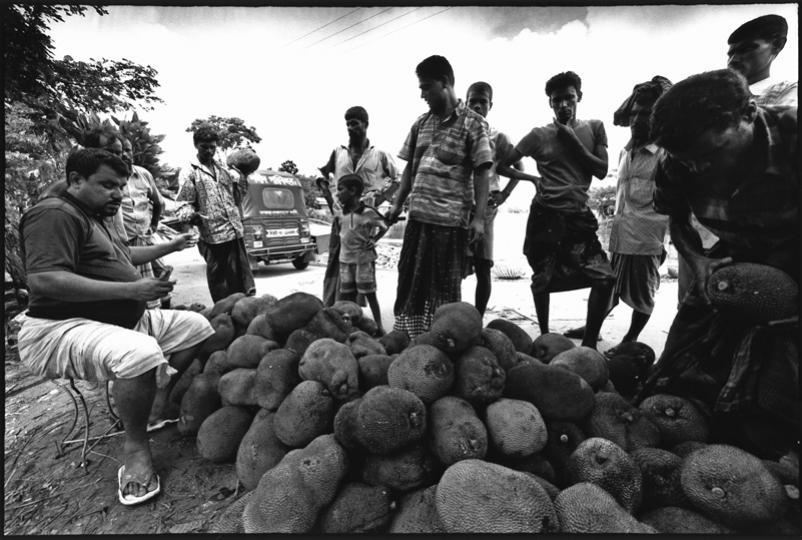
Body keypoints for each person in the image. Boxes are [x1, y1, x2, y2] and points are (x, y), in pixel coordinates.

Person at [17, 148, 215, 505]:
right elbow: (45, 279)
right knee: (140, 353)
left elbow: (125, 257)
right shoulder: (53, 214)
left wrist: (168, 248)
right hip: (59, 327)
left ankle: (155, 406)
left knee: (197, 326)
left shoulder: (94, 216)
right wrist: (131, 289)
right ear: (76, 181)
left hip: (119, 321)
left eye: (121, 186)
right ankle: (136, 447)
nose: (119, 194)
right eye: (107, 185)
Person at [642, 69, 798, 460]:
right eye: (688, 162)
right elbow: (675, 218)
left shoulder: (793, 137)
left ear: (748, 113)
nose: (699, 170)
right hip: (733, 258)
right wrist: (696, 259)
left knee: (780, 382)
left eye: (709, 156)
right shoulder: (680, 158)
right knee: (677, 368)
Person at [496, 71, 615, 348]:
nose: (564, 104)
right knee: (542, 281)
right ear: (550, 103)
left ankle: (588, 345)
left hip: (578, 217)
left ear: (579, 98)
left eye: (569, 98)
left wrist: (572, 139)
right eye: (557, 99)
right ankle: (546, 336)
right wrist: (532, 179)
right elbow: (503, 165)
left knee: (606, 279)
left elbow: (601, 170)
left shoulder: (595, 127)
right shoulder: (538, 135)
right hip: (545, 217)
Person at [387, 55, 494, 337]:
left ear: (445, 83)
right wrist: (397, 203)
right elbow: (410, 167)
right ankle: (412, 340)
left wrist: (479, 219)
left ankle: (444, 342)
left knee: (443, 291)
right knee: (410, 282)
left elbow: (483, 172)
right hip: (418, 220)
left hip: (449, 224)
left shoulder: (474, 124)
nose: (422, 94)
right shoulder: (420, 124)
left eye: (426, 87)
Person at [563, 78, 672, 350]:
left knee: (643, 295)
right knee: (606, 288)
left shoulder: (664, 154)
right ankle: (592, 330)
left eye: (646, 113)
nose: (636, 119)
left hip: (647, 239)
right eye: (635, 113)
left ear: (659, 117)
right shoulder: (628, 150)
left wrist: (660, 88)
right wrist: (637, 95)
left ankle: (630, 338)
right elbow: (619, 117)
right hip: (621, 234)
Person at [317, 106, 398, 307]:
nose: (350, 128)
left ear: (366, 125)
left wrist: (380, 198)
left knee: (360, 264)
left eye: (355, 123)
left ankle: (352, 311)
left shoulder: (379, 155)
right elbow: (323, 173)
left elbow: (398, 179)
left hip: (363, 220)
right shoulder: (338, 153)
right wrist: (325, 188)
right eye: (348, 124)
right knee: (337, 260)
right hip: (342, 218)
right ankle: (331, 307)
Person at [175, 125, 256, 302]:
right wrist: (190, 216)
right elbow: (184, 203)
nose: (209, 151)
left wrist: (242, 178)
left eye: (213, 147)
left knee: (242, 283)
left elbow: (237, 195)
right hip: (213, 236)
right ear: (196, 145)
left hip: (234, 231)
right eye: (205, 147)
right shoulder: (190, 171)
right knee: (221, 285)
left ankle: (242, 314)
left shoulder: (225, 170)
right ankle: (224, 316)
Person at [463, 81, 523, 316]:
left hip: (486, 207)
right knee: (455, 265)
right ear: (465, 104)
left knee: (483, 265)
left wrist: (505, 193)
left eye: (483, 102)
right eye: (472, 102)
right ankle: (453, 316)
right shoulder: (460, 134)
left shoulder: (497, 137)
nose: (477, 106)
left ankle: (477, 317)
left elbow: (518, 165)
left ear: (490, 105)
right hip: (459, 205)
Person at [334, 174, 389, 333]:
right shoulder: (340, 213)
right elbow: (341, 231)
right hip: (345, 261)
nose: (337, 194)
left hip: (364, 261)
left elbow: (385, 225)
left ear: (352, 191)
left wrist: (374, 238)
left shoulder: (368, 212)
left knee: (370, 293)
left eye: (340, 190)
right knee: (346, 296)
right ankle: (347, 325)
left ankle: (379, 326)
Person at [120, 137, 168, 309]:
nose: (125, 154)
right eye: (120, 151)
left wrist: (154, 225)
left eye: (128, 149)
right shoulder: (111, 178)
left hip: (144, 238)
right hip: (125, 241)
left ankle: (160, 312)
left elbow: (159, 202)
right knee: (134, 288)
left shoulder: (143, 174)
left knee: (159, 278)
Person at [727, 13, 797, 106]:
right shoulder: (716, 94)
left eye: (746, 49)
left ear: (777, 44)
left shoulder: (789, 90)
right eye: (730, 54)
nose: (733, 60)